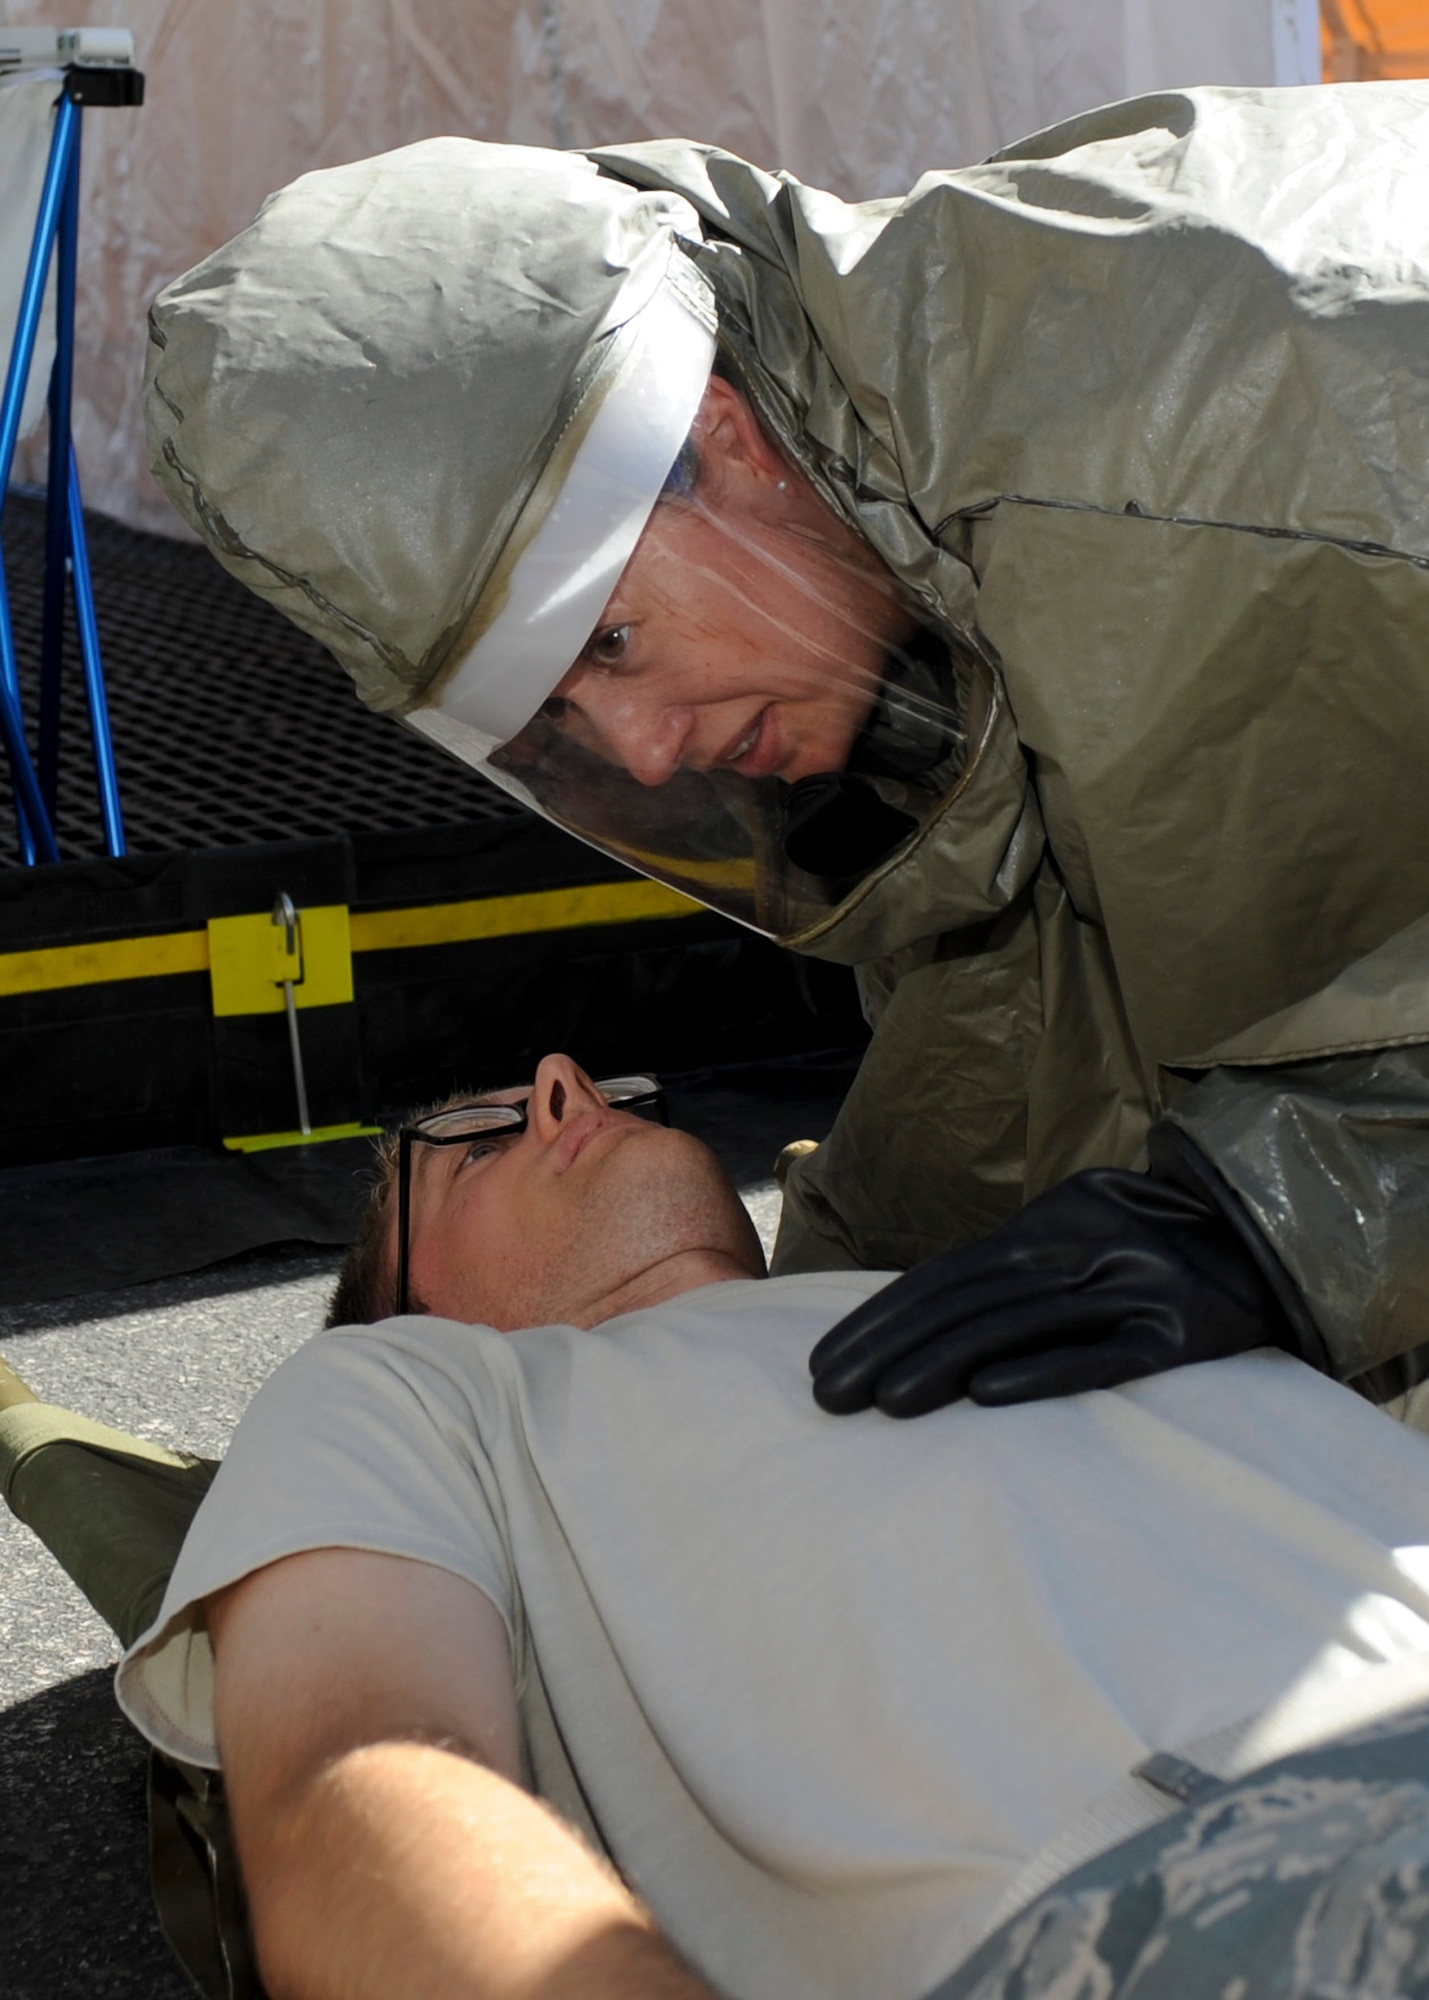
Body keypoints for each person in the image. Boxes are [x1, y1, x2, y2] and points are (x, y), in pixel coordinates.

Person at [138, 84, 1429, 1417]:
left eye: (614, 645)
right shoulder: (915, 514)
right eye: (559, 722)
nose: (639, 757)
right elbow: (1020, 1035)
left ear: (719, 434)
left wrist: (1291, 1218)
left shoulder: (1239, 444)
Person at [75, 1054, 1429, 2000]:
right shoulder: (424, 1394)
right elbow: (357, 1789)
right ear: (411, 1305)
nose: (568, 1079)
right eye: (469, 1145)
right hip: (1212, 1893)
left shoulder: (1014, 1277)